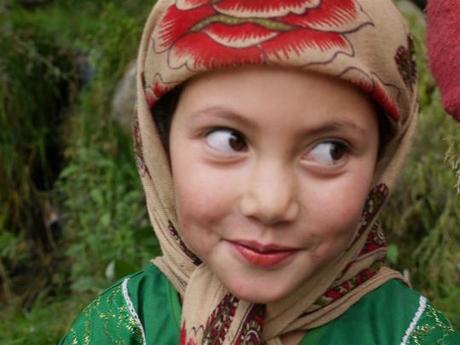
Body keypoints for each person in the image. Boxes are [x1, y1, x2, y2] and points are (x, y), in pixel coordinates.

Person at [59, 0, 459, 344]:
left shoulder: (411, 335)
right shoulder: (121, 327)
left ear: (382, 163)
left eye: (329, 150)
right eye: (229, 141)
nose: (270, 203)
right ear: (160, 145)